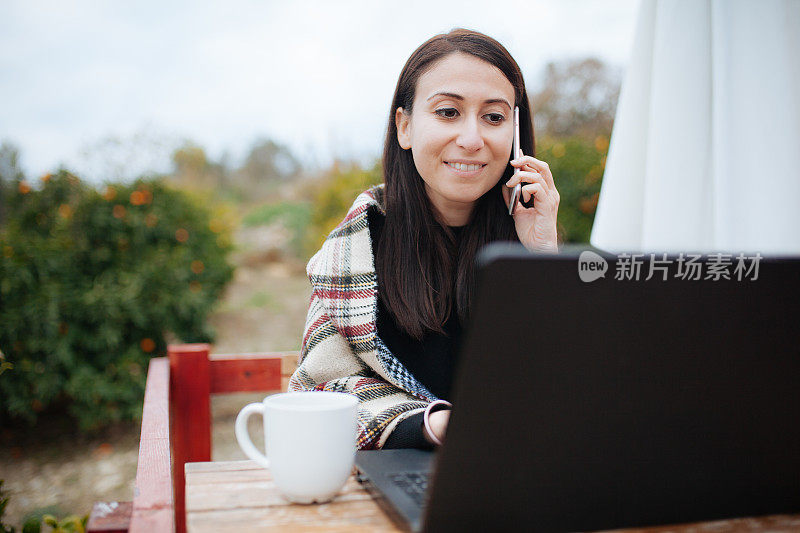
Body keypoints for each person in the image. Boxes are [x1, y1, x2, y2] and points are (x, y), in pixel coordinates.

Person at [288, 28, 559, 449]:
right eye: (449, 112)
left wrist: (542, 257)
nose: (471, 139)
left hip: (518, 480)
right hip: (387, 486)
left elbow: (567, 386)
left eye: (494, 117)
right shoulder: (353, 253)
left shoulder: (526, 246)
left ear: (515, 135)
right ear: (405, 127)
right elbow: (320, 393)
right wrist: (430, 425)